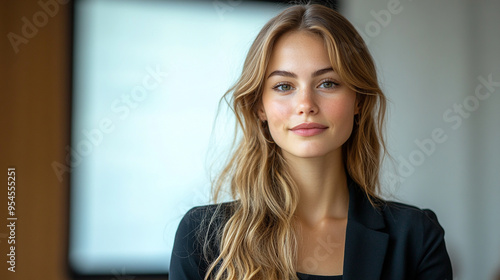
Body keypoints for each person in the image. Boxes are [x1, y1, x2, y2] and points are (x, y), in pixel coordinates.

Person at [169, 3, 452, 280]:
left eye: (328, 83)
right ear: (259, 107)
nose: (305, 104)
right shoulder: (202, 238)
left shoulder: (416, 237)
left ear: (359, 101)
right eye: (284, 86)